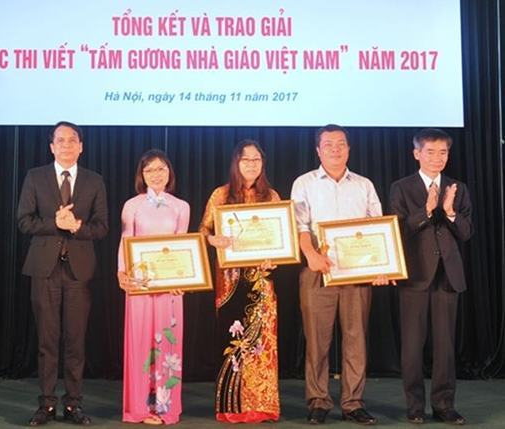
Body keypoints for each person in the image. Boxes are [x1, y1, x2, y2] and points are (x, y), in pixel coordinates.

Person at [291, 124, 389, 426]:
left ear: (349, 149)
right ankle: (318, 401)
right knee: (317, 341)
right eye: (328, 144)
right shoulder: (304, 183)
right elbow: (300, 226)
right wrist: (311, 255)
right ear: (318, 150)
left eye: (341, 144)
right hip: (317, 268)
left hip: (357, 271)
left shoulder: (364, 185)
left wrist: (380, 267)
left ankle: (353, 403)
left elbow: (378, 228)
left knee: (356, 338)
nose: (335, 149)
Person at [17, 121, 109, 426]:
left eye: (72, 140)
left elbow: (102, 227)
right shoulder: (35, 177)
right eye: (60, 140)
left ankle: (73, 404)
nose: (66, 145)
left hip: (78, 272)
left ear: (81, 146)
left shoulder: (94, 180)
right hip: (44, 270)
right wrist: (55, 223)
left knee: (75, 342)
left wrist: (77, 226)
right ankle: (46, 404)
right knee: (47, 341)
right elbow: (24, 221)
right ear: (51, 147)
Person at [389, 128, 472, 425]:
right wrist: (426, 211)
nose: (438, 158)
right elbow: (397, 230)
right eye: (431, 152)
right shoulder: (401, 188)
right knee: (412, 345)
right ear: (417, 153)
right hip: (415, 275)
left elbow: (466, 232)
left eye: (443, 152)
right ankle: (414, 406)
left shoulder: (458, 188)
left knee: (445, 345)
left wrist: (449, 212)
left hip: (448, 276)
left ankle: (444, 405)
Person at [199, 139, 281, 423]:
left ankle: (262, 404)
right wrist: (213, 239)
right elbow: (203, 230)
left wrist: (275, 258)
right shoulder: (221, 195)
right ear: (236, 163)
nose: (251, 164)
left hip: (261, 279)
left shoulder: (271, 196)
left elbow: (280, 237)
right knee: (233, 340)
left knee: (262, 340)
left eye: (257, 159)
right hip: (230, 279)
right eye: (246, 159)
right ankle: (232, 406)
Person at [117, 149, 190, 425]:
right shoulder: (132, 205)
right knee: (139, 343)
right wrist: (121, 273)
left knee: (167, 343)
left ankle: (164, 408)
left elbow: (183, 245)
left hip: (170, 286)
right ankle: (139, 408)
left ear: (169, 172)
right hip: (140, 284)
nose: (156, 174)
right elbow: (126, 240)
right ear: (142, 175)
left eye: (161, 169)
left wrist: (183, 280)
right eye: (149, 170)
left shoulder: (181, 206)